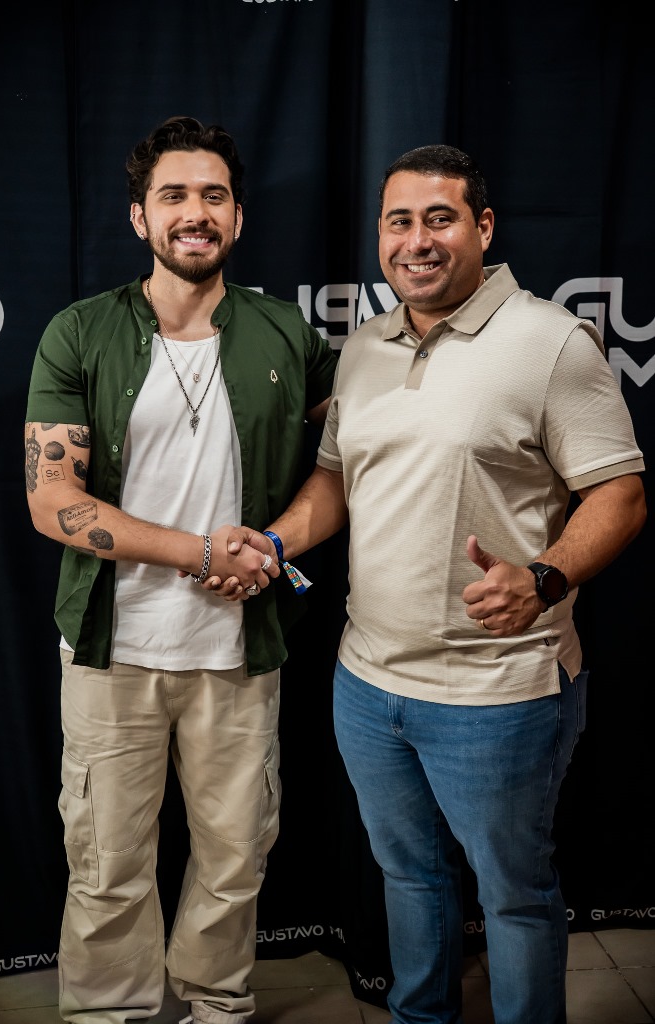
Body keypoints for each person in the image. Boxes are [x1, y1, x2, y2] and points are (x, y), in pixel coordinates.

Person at [216, 144, 647, 1023]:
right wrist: (274, 539)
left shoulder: (548, 342)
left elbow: (620, 494)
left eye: (439, 219)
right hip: (368, 683)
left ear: (482, 227)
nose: (415, 240)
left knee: (514, 894)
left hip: (498, 692)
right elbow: (335, 479)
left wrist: (544, 577)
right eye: (398, 221)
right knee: (408, 877)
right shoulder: (364, 347)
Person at [24, 115, 337, 1024]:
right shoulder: (80, 331)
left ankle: (216, 1005)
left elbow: (347, 462)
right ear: (140, 218)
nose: (194, 212)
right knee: (107, 863)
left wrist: (271, 546)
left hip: (239, 648)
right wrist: (200, 552)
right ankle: (107, 1013)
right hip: (111, 649)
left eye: (212, 196)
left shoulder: (285, 332)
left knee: (235, 856)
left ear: (236, 216)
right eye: (173, 196)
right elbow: (52, 500)